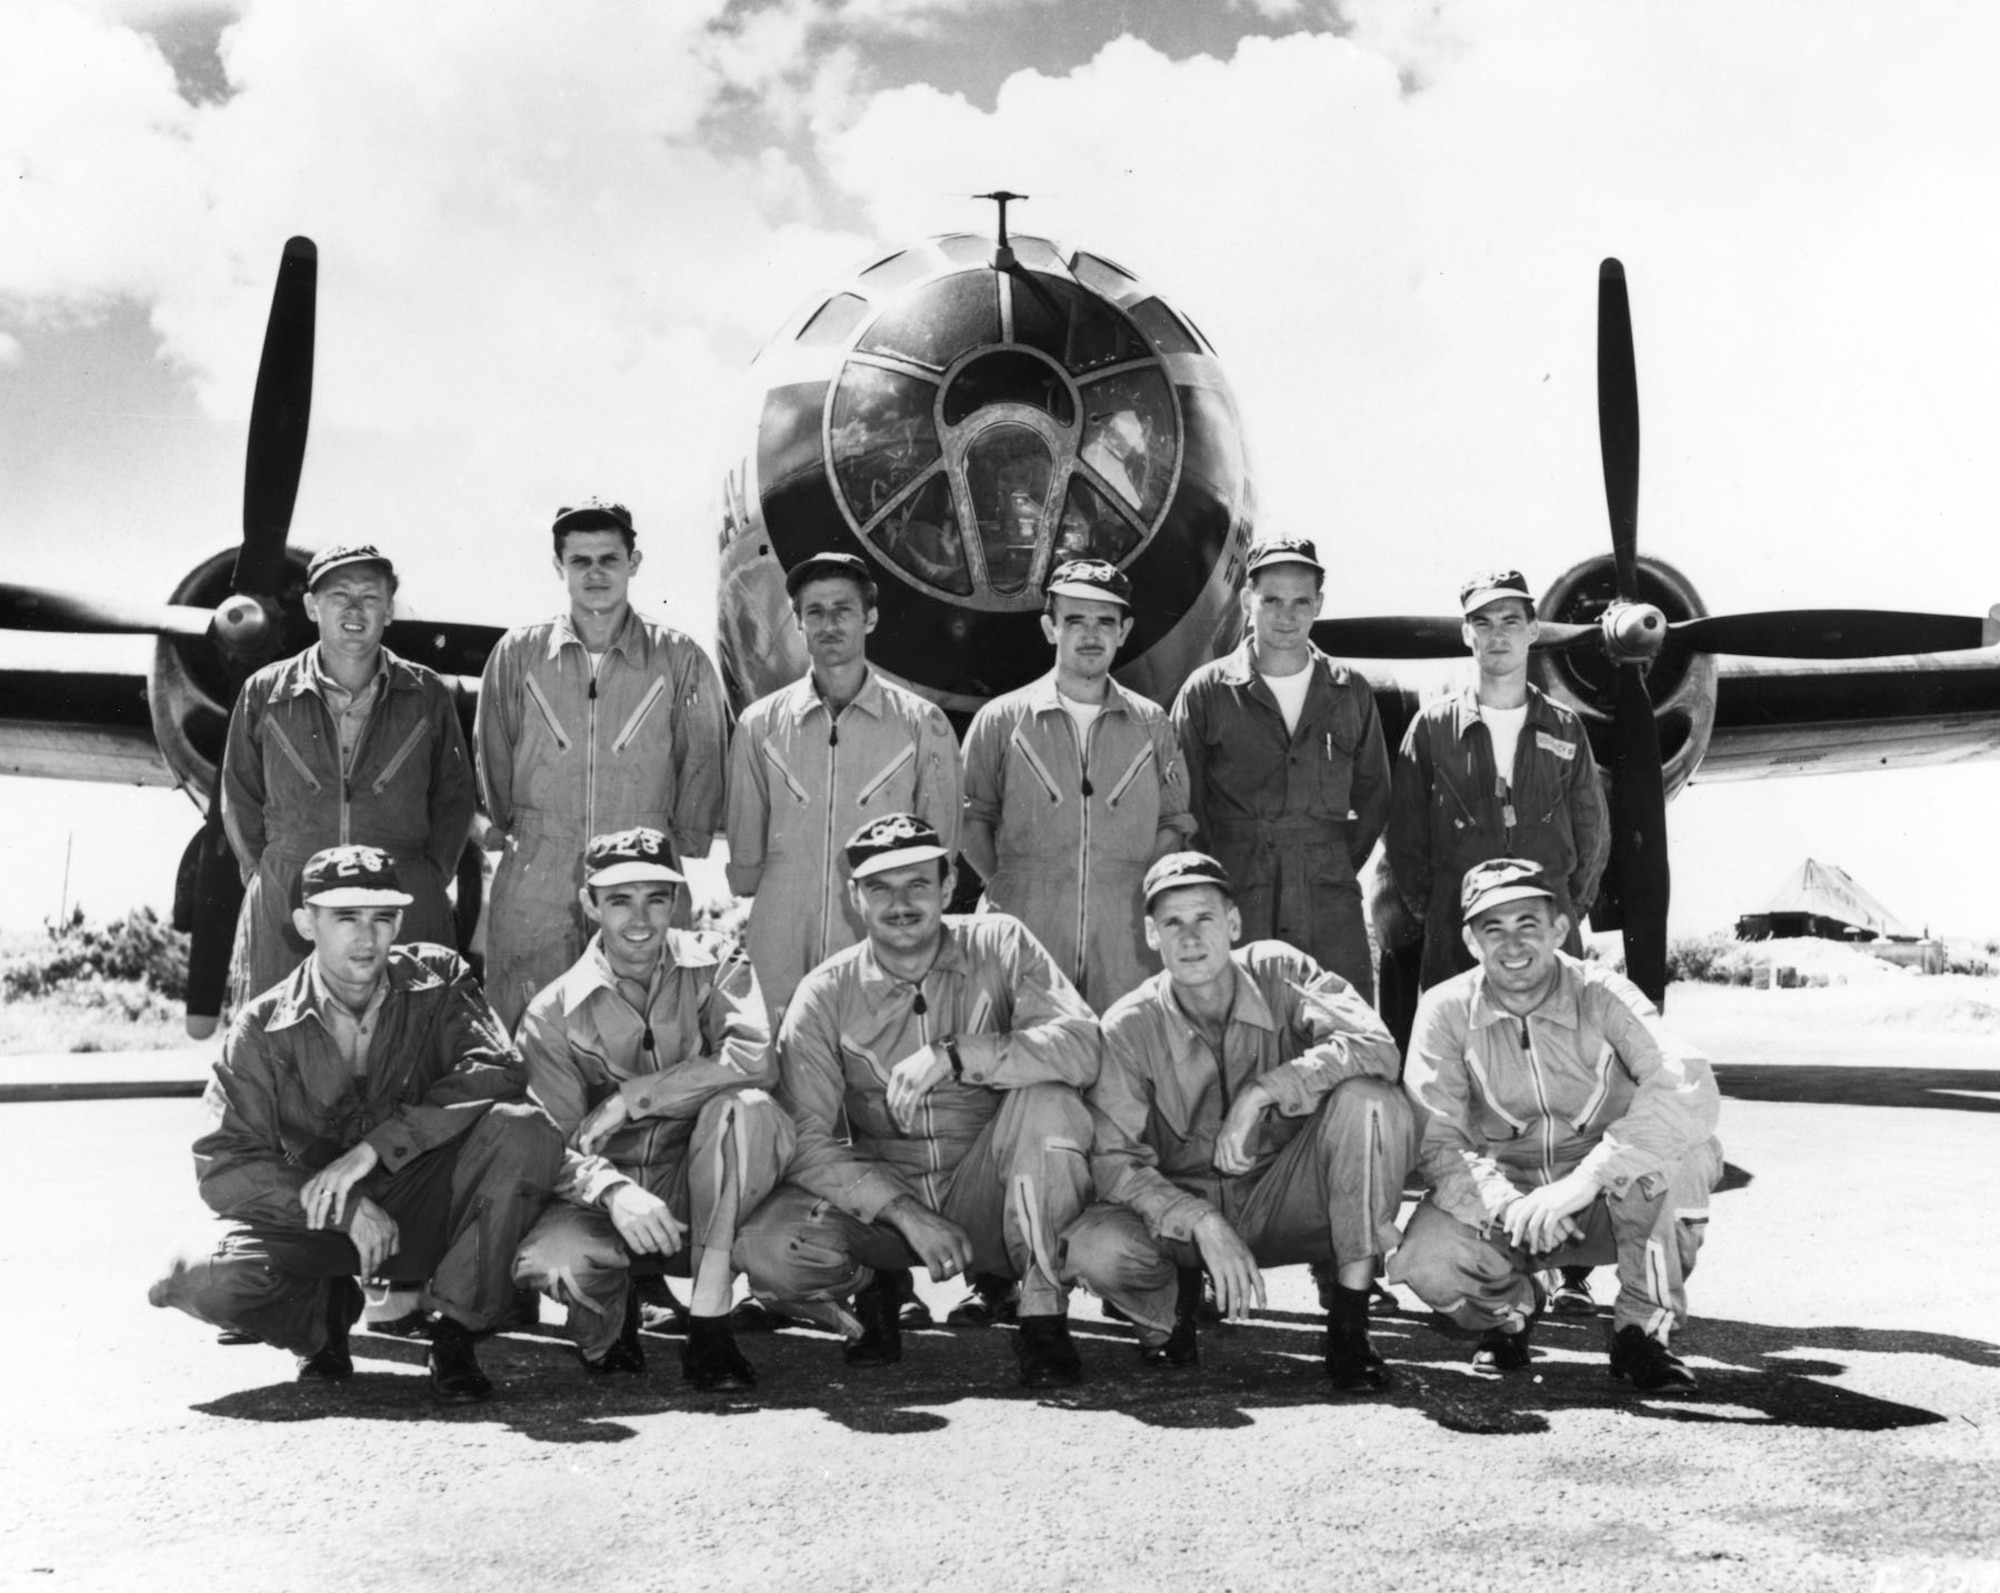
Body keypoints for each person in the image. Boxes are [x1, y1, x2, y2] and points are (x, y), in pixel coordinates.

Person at [148, 846, 562, 1402]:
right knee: (197, 1277)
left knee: (524, 1129)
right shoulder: (261, 1027)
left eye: (382, 917)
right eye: (345, 917)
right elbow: (224, 1163)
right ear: (305, 923)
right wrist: (344, 1210)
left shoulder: (439, 980)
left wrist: (372, 1150)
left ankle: (456, 1333)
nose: (366, 937)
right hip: (321, 1216)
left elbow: (496, 1069)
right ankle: (322, 1321)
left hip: (426, 1203)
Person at [731, 814, 1101, 1388]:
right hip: (887, 1199)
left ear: (949, 887)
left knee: (1052, 1104)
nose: (900, 903)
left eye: (918, 884)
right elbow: (804, 1135)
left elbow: (1083, 1046)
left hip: (995, 1188)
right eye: (880, 887)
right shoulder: (825, 993)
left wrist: (956, 1054)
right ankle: (870, 1294)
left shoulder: (1000, 944)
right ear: (855, 897)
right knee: (766, 1247)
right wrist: (903, 1211)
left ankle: (1043, 1312)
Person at [1063, 853, 1415, 1388]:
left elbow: (1376, 1047)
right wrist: (1198, 1220)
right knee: (1094, 1245)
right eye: (1172, 923)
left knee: (1371, 1103)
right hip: (1189, 1219)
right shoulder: (1128, 1027)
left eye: (1204, 918)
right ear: (1151, 936)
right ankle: (1169, 1312)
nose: (1190, 937)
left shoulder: (1280, 969)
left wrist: (1264, 1090)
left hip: (1288, 1200)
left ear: (1232, 924)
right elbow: (1113, 1162)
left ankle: (1350, 1323)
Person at [1388, 859, 1722, 1393]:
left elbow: (1685, 1084)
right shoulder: (1444, 1010)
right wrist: (1510, 1204)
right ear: (1471, 941)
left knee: (1682, 1153)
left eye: (1528, 925)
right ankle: (1513, 1313)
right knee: (1424, 1260)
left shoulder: (1604, 993)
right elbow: (1438, 1139)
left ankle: (1642, 1334)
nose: (1512, 945)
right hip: (1513, 1206)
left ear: (1560, 930)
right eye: (1492, 929)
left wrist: (1584, 1181)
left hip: (1607, 1199)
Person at [1384, 567, 1610, 1315]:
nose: (1500, 633)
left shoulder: (1567, 728)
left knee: (1568, 1086)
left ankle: (1570, 1253)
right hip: (1463, 941)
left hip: (1547, 943)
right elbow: (1406, 841)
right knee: (1469, 1097)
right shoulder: (1432, 728)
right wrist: (1448, 922)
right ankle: (1497, 1245)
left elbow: (1592, 836)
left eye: (1514, 619)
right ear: (1467, 634)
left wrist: (1559, 924)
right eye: (1485, 621)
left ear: (1533, 631)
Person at [510, 828, 789, 1390]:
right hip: (607, 1204)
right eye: (619, 900)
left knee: (749, 1109)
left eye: (655, 898)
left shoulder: (717, 962)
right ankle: (609, 1325)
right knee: (554, 1260)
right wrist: (616, 1195)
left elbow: (755, 1059)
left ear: (676, 901)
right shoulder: (552, 1013)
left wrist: (630, 1099)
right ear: (589, 903)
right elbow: (555, 1144)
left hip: (701, 1190)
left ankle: (710, 1323)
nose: (639, 920)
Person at [476, 498, 730, 1030]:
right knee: (527, 1029)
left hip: (641, 871)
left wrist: (678, 839)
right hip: (536, 874)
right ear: (559, 566)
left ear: (633, 564)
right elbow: (494, 755)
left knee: (645, 1027)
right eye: (580, 560)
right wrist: (510, 829)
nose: (596, 573)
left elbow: (702, 761)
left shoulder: (679, 659)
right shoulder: (516, 655)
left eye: (609, 559)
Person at [221, 543, 476, 1004]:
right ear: (311, 607)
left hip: (401, 899)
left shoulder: (427, 694)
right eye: (339, 595)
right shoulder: (263, 693)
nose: (355, 609)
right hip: (291, 903)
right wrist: (274, 874)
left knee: (410, 1045)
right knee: (281, 1045)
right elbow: (239, 795)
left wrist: (425, 879)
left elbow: (454, 800)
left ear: (390, 609)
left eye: (370, 597)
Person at [725, 551, 961, 1023]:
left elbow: (940, 852)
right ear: (797, 621)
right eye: (815, 611)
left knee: (875, 1072)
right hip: (780, 935)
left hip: (878, 936)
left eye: (843, 610)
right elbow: (746, 856)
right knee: (774, 1068)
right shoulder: (758, 725)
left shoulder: (922, 725)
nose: (829, 624)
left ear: (870, 618)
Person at [961, 558, 1193, 1012]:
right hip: (1024, 933)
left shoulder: (1152, 725)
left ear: (1124, 630)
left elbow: (1173, 823)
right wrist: (1015, 888)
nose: (1091, 635)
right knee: (1025, 1065)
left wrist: (1135, 893)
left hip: (1126, 942)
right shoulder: (1003, 720)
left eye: (1106, 621)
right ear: (1050, 627)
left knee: (1122, 1065)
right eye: (1075, 620)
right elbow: (972, 820)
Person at [1171, 535, 1390, 998]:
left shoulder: (1350, 691)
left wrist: (1330, 860)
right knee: (1240, 1026)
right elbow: (1182, 801)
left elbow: (1375, 796)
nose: (1286, 615)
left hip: (1327, 895)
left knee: (1341, 1026)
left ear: (1319, 605)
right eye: (1272, 600)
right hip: (1238, 887)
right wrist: (1221, 872)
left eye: (1300, 602)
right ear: (1249, 599)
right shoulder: (1207, 691)